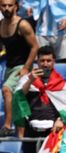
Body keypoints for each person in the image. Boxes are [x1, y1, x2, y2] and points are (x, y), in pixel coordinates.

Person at [13, 45, 66, 153]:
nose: (45, 64)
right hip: (31, 130)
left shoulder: (61, 83)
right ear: (37, 61)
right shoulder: (28, 79)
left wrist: (60, 120)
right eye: (42, 61)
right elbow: (19, 96)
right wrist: (30, 80)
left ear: (54, 61)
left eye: (48, 61)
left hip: (52, 131)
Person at [0, 0, 39, 137]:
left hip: (23, 66)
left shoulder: (22, 25)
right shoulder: (1, 25)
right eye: (3, 6)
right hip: (9, 67)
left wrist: (26, 68)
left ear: (16, 7)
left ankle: (7, 125)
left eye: (10, 5)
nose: (7, 8)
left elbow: (35, 46)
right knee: (15, 99)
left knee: (6, 89)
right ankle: (19, 135)